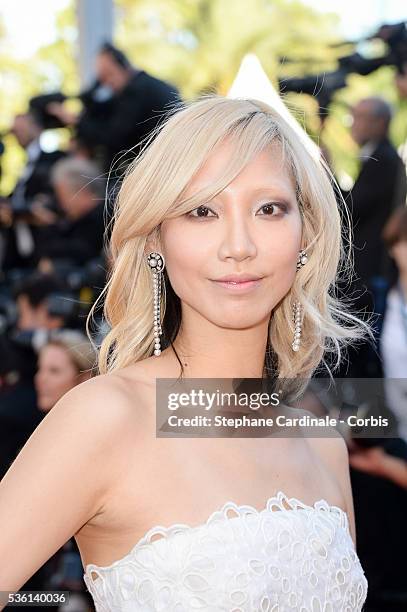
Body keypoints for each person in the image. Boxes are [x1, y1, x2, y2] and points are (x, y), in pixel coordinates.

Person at [0, 95, 372, 611]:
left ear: (304, 232)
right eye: (202, 211)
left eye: (269, 208)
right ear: (155, 238)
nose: (238, 244)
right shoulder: (106, 418)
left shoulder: (324, 445)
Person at [337, 96, 407, 377]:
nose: (353, 124)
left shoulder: (384, 159)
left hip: (369, 272)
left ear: (379, 122)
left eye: (359, 116)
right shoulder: (380, 156)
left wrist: (325, 174)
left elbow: (351, 211)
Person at [47, 42, 182, 173]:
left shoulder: (136, 91)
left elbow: (113, 137)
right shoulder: (142, 85)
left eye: (109, 74)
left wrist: (76, 121)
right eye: (101, 78)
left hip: (166, 164)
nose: (106, 83)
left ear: (123, 67)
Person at [33, 157, 107, 268]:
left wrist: (50, 226)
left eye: (62, 195)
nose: (60, 204)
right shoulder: (81, 217)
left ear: (81, 191)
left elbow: (81, 251)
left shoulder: (104, 217)